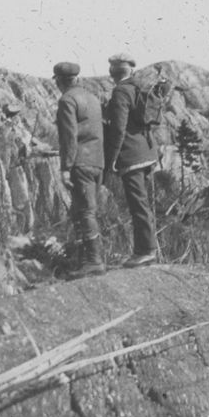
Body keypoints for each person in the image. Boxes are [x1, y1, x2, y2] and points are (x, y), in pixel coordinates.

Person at [104, 52, 158, 267]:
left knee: (138, 204)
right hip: (146, 151)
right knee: (142, 202)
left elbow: (119, 129)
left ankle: (145, 250)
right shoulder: (137, 88)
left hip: (131, 155)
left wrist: (113, 158)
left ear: (113, 72)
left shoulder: (120, 92)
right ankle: (147, 248)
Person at [53, 61, 106, 278]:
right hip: (97, 162)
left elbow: (69, 137)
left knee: (84, 211)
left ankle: (93, 261)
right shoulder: (92, 98)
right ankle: (86, 259)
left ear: (59, 81)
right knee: (86, 210)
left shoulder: (67, 100)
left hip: (80, 163)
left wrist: (66, 167)